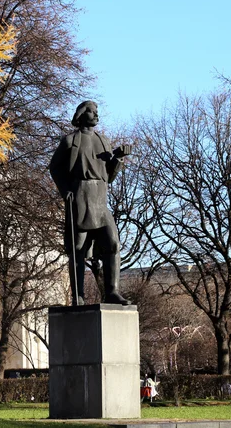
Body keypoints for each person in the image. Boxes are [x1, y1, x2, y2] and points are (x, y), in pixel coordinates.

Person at [49, 101, 131, 306]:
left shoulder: (103, 140)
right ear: (81, 114)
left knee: (112, 243)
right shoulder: (70, 141)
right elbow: (55, 168)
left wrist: (118, 160)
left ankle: (112, 291)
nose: (96, 115)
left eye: (97, 112)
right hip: (80, 196)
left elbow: (109, 177)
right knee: (77, 248)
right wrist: (65, 189)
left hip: (100, 199)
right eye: (92, 112)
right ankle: (78, 295)